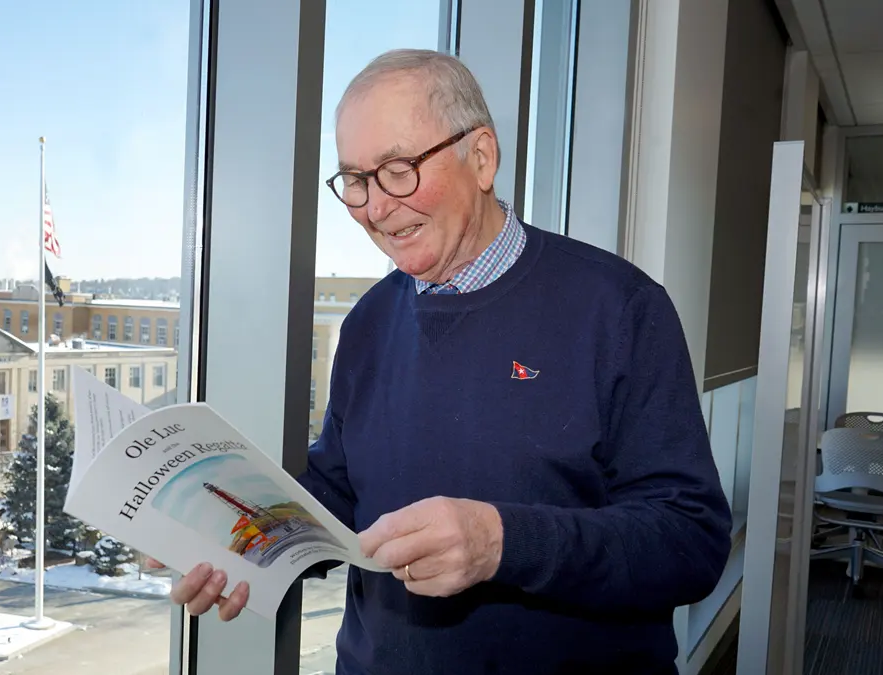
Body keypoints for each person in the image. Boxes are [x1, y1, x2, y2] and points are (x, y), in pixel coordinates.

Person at [151, 48, 733, 674]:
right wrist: (230, 534)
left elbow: (688, 541)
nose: (375, 207)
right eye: (355, 179)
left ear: (481, 158)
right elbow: (343, 498)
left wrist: (502, 545)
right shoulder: (368, 322)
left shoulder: (621, 309)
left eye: (398, 169)